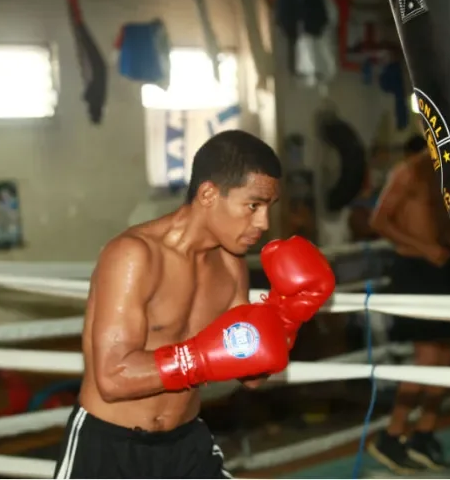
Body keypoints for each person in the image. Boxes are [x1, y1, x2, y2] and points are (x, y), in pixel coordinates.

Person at [53, 130, 336, 479]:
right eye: (253, 205)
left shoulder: (231, 266)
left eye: (268, 208)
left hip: (185, 445)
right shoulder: (134, 256)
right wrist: (199, 359)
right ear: (208, 194)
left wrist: (285, 318)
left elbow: (251, 376)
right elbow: (113, 378)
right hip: (109, 449)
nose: (263, 223)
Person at [366, 135, 450, 473]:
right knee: (427, 356)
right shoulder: (409, 171)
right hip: (416, 267)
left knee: (446, 351)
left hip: (443, 265)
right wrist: (425, 248)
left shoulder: (449, 171)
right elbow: (378, 221)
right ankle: (391, 437)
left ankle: (423, 433)